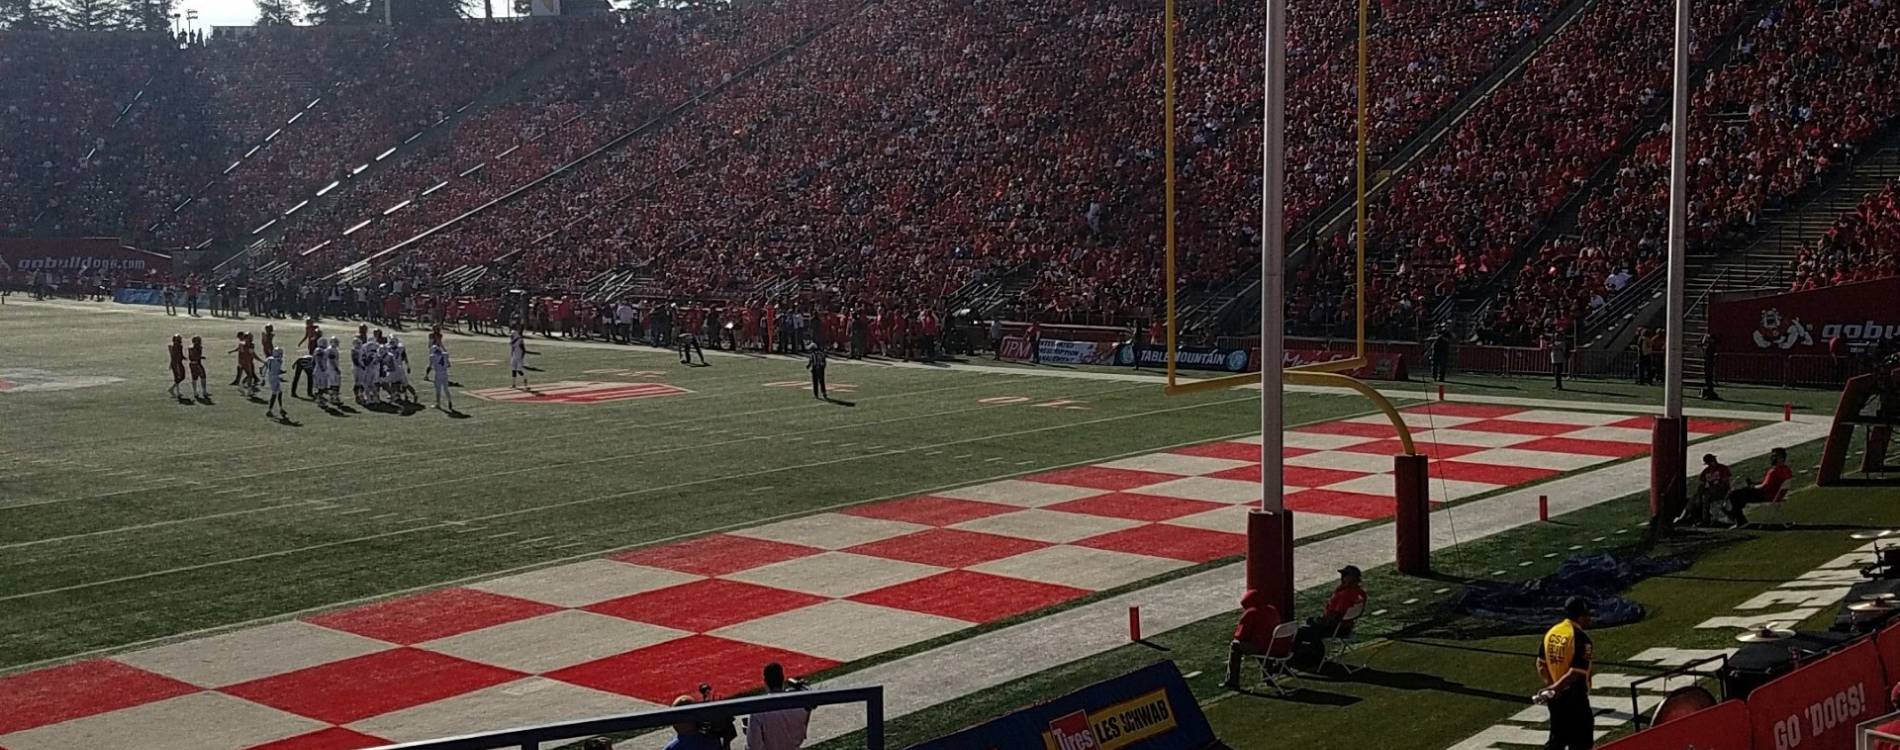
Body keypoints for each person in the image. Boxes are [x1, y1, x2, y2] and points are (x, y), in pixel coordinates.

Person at [1534, 596, 1596, 750]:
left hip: (1556, 699)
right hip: (1575, 699)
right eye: (1588, 614)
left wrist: (1551, 687)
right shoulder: (1581, 638)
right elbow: (1575, 673)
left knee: (1557, 740)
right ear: (1581, 616)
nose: (1590, 618)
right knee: (1582, 742)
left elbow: (1541, 664)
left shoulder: (1552, 632)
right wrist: (1556, 688)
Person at [1221, 588, 1283, 689]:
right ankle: (1268, 675)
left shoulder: (1251, 613)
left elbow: (1240, 635)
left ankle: (1232, 681)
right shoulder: (1272, 609)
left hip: (1261, 647)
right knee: (1264, 646)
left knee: (1235, 646)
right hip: (1275, 645)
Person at [1297, 565, 1368, 654]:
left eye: (1345, 576)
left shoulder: (1345, 595)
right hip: (1347, 626)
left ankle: (1309, 657)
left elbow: (1335, 616)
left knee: (1301, 631)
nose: (1342, 578)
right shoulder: (1361, 593)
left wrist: (1319, 621)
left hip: (1336, 628)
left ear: (1352, 578)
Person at [743, 663, 810, 750]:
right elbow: (802, 734)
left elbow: (753, 746)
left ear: (765, 682)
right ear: (782, 680)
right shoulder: (800, 706)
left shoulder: (758, 711)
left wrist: (749, 731)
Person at [1726, 447, 1794, 527]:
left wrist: (1753, 487)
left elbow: (1764, 487)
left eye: (1774, 456)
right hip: (1776, 495)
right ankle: (1738, 516)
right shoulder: (1786, 469)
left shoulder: (1774, 471)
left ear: (1780, 458)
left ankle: (1739, 519)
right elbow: (1771, 484)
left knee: (1734, 495)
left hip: (1767, 495)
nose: (1772, 458)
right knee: (1739, 495)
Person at [1677, 454, 1731, 526]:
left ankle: (1705, 520)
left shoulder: (1723, 468)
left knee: (1705, 498)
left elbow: (1725, 482)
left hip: (1720, 491)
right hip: (1708, 491)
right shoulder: (1706, 471)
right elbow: (1702, 483)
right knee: (1693, 500)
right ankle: (1685, 518)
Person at [263, 347, 288, 421]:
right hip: (274, 378)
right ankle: (269, 410)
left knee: (280, 392)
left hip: (270, 376)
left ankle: (281, 408)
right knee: (274, 394)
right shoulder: (279, 360)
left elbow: (266, 368)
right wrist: (282, 372)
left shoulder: (269, 359)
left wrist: (263, 378)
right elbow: (277, 370)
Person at [431, 343, 454, 411]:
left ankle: (438, 404)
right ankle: (449, 401)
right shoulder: (445, 354)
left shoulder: (432, 356)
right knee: (446, 389)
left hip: (438, 374)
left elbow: (431, 365)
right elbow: (449, 365)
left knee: (438, 390)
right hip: (445, 373)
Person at [167, 334, 187, 399]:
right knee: (181, 376)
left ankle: (177, 392)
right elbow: (174, 356)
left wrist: (184, 358)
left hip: (178, 363)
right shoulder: (175, 346)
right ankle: (172, 389)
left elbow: (180, 354)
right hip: (177, 363)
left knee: (179, 377)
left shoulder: (179, 346)